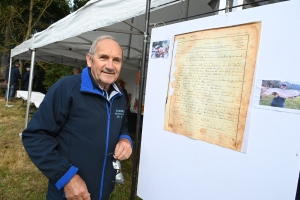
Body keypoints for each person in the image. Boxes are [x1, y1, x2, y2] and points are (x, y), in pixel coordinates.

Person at [22, 35, 133, 200]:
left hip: (103, 191)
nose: (110, 66)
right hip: (68, 193)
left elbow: (122, 123)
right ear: (89, 59)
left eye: (116, 60)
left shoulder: (120, 95)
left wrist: (125, 139)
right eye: (103, 57)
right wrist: (66, 177)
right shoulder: (66, 89)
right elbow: (35, 136)